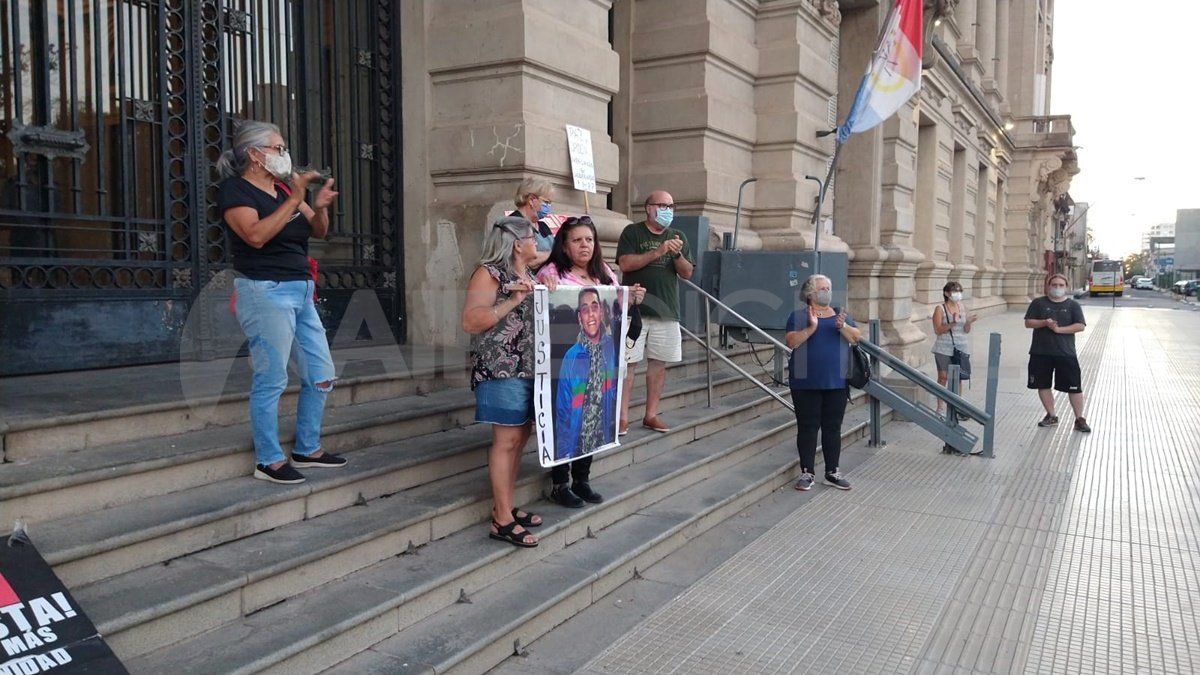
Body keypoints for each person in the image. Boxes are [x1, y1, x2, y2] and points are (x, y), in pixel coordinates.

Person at [215, 120, 346, 485]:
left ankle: (307, 447)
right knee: (271, 377)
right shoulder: (235, 191)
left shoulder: (284, 188)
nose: (284, 154)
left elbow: (318, 232)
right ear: (255, 155)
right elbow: (255, 236)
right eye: (277, 148)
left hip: (300, 289)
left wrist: (317, 206)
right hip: (263, 290)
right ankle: (268, 460)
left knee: (321, 374)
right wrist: (294, 198)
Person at [461, 215, 555, 547]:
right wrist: (511, 301)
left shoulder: (527, 274)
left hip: (530, 369)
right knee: (506, 441)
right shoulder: (489, 273)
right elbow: (472, 321)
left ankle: (507, 507)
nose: (539, 243)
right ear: (518, 243)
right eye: (534, 237)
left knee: (520, 438)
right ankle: (501, 519)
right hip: (500, 369)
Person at [538, 216, 645, 507]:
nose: (584, 245)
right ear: (565, 244)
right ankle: (560, 483)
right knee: (569, 415)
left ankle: (582, 479)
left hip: (602, 359)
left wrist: (631, 298)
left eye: (589, 239)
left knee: (594, 415)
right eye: (576, 240)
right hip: (568, 361)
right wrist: (543, 285)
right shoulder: (552, 272)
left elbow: (615, 306)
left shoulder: (603, 273)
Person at [616, 191, 694, 434]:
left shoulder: (678, 236)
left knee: (658, 364)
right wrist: (657, 252)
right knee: (628, 364)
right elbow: (625, 264)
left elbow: (687, 273)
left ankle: (651, 414)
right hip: (634, 309)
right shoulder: (633, 232)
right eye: (662, 205)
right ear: (649, 208)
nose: (667, 210)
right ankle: (622, 417)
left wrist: (676, 254)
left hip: (666, 310)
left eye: (671, 205)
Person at [784, 274, 861, 491]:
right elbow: (791, 341)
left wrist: (843, 326)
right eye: (822, 288)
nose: (826, 291)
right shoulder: (798, 315)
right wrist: (811, 328)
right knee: (808, 428)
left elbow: (856, 337)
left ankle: (832, 472)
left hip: (836, 382)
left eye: (828, 287)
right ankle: (807, 472)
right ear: (810, 293)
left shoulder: (839, 314)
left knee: (832, 428)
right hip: (805, 382)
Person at [1024, 273, 1090, 432]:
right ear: (1048, 286)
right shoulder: (1038, 303)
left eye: (1061, 285)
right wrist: (1044, 322)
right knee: (1042, 384)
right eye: (1054, 285)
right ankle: (1051, 415)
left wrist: (1059, 330)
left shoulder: (1073, 306)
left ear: (1066, 287)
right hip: (1041, 352)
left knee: (1074, 387)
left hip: (1065, 353)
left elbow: (1080, 326)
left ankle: (1079, 419)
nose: (1057, 288)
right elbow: (1028, 323)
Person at [931, 281, 977, 416]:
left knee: (958, 377)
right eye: (955, 291)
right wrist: (952, 323)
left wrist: (968, 322)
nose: (958, 294)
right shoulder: (940, 308)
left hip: (961, 346)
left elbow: (966, 330)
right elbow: (938, 330)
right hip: (943, 348)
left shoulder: (962, 307)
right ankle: (940, 407)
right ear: (947, 293)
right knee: (943, 377)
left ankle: (957, 405)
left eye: (959, 291)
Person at [507, 177, 558, 268]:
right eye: (546, 202)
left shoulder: (543, 226)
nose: (548, 206)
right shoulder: (513, 223)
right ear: (531, 200)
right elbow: (525, 259)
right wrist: (554, 255)